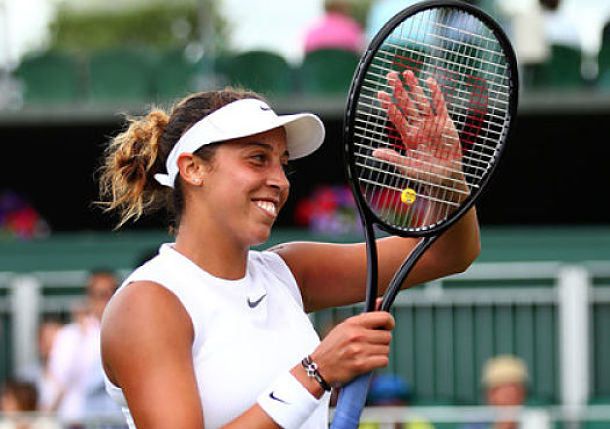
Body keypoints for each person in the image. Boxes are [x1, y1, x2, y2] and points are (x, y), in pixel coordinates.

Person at [97, 77, 480, 428]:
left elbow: (447, 252)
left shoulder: (289, 271)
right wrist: (316, 373)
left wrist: (449, 184)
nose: (279, 181)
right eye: (258, 158)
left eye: (282, 164)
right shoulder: (147, 304)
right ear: (194, 168)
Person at [42, 270, 121, 425]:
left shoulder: (123, 332)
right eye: (96, 294)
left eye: (107, 293)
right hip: (74, 420)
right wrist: (81, 336)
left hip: (113, 421)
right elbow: (60, 377)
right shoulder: (69, 335)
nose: (102, 301)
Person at [461, 355, 528, 429]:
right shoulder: (474, 425)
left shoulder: (535, 422)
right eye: (502, 389)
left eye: (514, 389)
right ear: (490, 394)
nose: (509, 395)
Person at [359, 374, 434, 429]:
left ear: (405, 405)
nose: (387, 410)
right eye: (382, 405)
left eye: (393, 404)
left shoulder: (418, 424)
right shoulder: (366, 424)